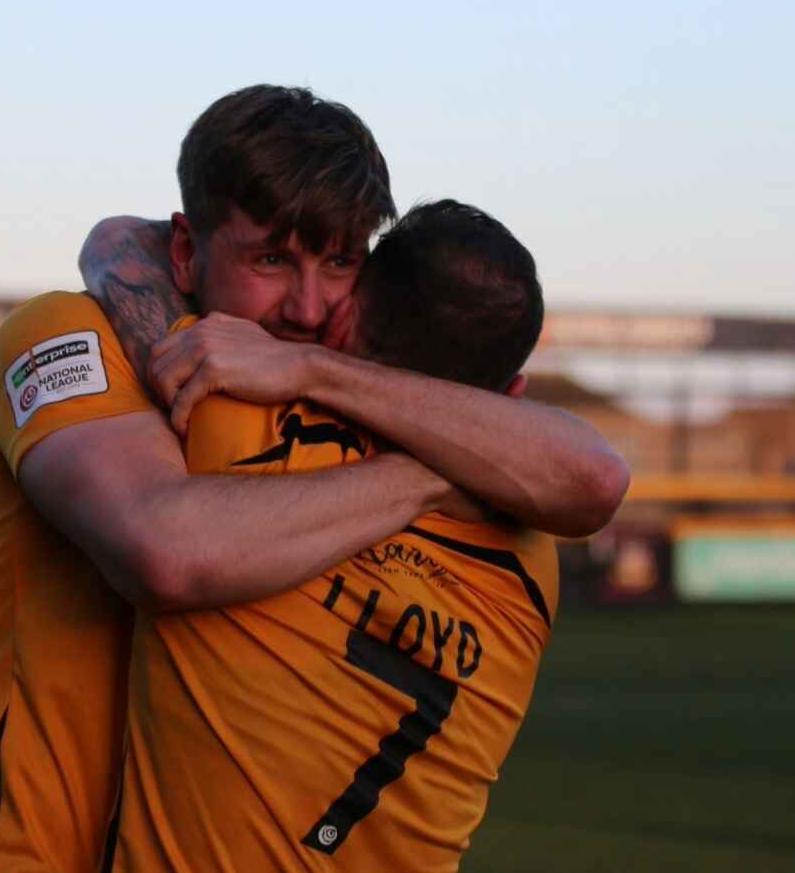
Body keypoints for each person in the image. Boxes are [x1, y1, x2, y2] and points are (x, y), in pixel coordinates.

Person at [0, 85, 626, 872]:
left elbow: (595, 474)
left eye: (339, 261)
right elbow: (162, 544)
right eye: (270, 259)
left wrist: (312, 372)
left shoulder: (346, 402)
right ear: (187, 252)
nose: (306, 304)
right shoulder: (66, 335)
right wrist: (424, 477)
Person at [109, 200, 570, 871]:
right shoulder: (533, 565)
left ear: (345, 316)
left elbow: (129, 257)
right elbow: (586, 472)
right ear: (515, 396)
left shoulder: (231, 426)